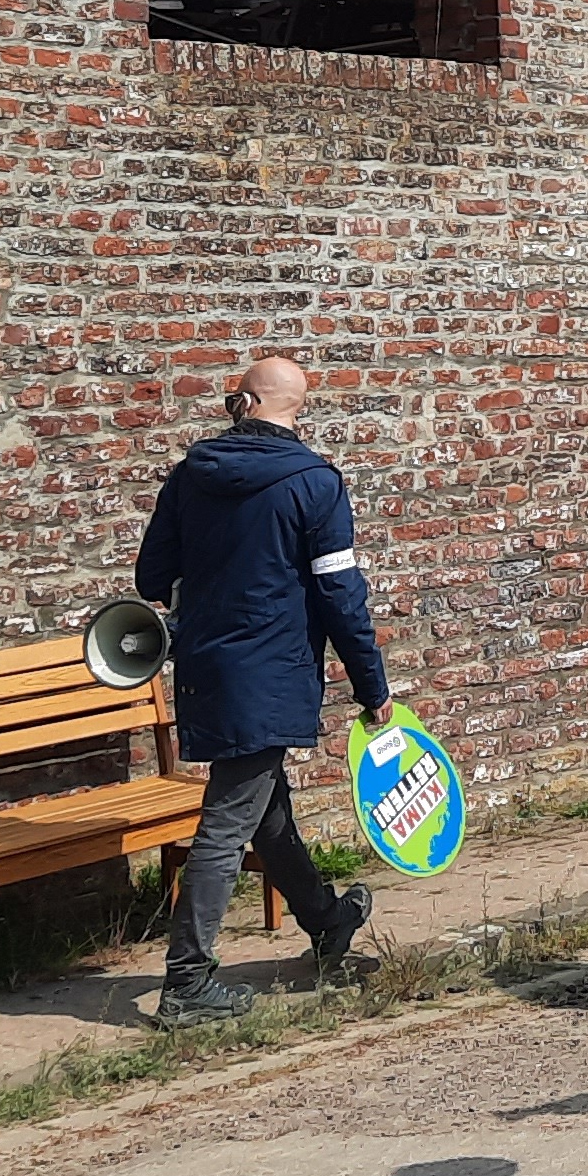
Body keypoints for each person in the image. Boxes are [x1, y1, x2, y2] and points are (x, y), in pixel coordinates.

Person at [138, 355, 392, 1024]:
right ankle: (187, 982)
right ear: (294, 407)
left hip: (205, 666)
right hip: (273, 671)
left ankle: (327, 920)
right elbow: (341, 596)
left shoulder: (190, 476)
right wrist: (374, 688)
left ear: (242, 402)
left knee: (264, 805)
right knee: (226, 825)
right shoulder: (315, 484)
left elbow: (151, 576)